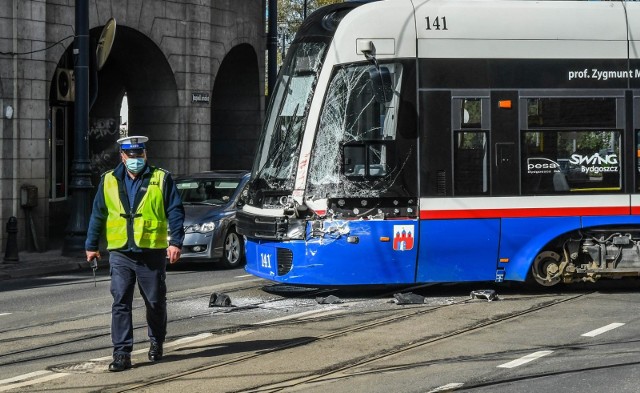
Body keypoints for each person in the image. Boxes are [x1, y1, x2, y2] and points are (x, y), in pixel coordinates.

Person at [85, 135, 185, 372]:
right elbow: (98, 214)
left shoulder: (161, 178)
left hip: (151, 251)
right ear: (122, 157)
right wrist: (91, 245)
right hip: (120, 252)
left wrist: (176, 242)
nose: (136, 160)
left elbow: (175, 210)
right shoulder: (108, 180)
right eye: (131, 156)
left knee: (155, 302)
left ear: (145, 155)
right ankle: (121, 353)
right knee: (120, 301)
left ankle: (156, 340)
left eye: (139, 155)